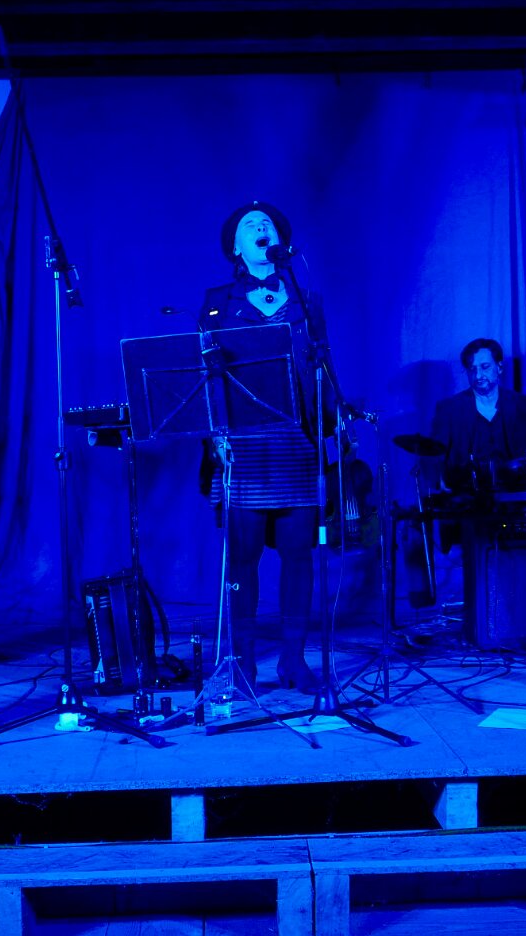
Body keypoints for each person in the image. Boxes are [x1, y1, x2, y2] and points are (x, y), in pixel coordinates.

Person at [198, 201, 326, 693]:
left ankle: (294, 660)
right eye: (249, 226)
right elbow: (206, 377)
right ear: (236, 247)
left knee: (298, 554)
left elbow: (322, 368)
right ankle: (242, 663)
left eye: (267, 224)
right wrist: (216, 435)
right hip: (244, 445)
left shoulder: (306, 300)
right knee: (243, 558)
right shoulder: (217, 302)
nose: (259, 228)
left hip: (295, 442)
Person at [427, 338, 526, 495]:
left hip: (517, 493)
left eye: (485, 367)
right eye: (472, 369)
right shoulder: (449, 408)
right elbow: (435, 456)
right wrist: (440, 480)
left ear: (499, 367)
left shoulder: (522, 404)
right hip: (467, 497)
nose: (478, 375)